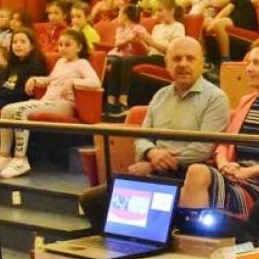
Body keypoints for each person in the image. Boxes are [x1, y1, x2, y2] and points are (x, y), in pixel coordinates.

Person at [79, 37, 231, 230]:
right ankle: (121, 248)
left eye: (190, 58)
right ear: (167, 64)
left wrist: (151, 165)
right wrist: (152, 153)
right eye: (176, 59)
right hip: (154, 172)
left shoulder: (215, 98)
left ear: (202, 63)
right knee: (92, 200)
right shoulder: (160, 96)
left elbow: (203, 149)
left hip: (188, 177)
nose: (183, 64)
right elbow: (142, 137)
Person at [178, 38, 259, 219]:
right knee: (196, 172)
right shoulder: (246, 101)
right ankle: (194, 238)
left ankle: (200, 238)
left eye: (256, 63)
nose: (248, 68)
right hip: (236, 175)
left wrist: (253, 170)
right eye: (248, 62)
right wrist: (224, 164)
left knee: (197, 177)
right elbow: (224, 144)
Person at [0, 30, 101, 179]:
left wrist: (75, 81)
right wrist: (36, 79)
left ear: (79, 47)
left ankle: (20, 159)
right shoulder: (61, 62)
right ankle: (4, 155)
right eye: (60, 45)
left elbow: (96, 82)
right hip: (48, 101)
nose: (62, 48)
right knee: (7, 110)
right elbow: (51, 80)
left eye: (67, 44)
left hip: (65, 104)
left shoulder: (82, 63)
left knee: (20, 111)